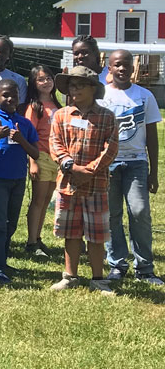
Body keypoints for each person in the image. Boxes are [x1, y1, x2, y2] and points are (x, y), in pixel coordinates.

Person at [49, 66, 118, 294]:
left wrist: (90, 170)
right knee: (71, 232)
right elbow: (55, 144)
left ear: (92, 88)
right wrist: (72, 166)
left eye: (79, 85)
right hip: (68, 184)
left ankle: (98, 278)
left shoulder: (107, 117)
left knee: (96, 234)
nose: (74, 90)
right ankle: (70, 276)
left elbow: (110, 148)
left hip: (96, 185)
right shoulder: (61, 115)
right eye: (71, 86)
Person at [99, 50, 162, 285]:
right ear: (110, 68)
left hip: (136, 162)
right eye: (117, 65)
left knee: (139, 211)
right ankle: (117, 264)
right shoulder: (101, 96)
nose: (122, 69)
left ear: (132, 68)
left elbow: (152, 136)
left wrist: (153, 171)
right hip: (108, 164)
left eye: (126, 65)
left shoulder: (145, 96)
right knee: (111, 215)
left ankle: (144, 268)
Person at [0, 79, 39, 284]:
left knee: (12, 223)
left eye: (13, 95)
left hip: (18, 179)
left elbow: (36, 153)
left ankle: (2, 260)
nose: (10, 98)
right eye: (5, 95)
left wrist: (22, 139)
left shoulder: (24, 123)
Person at [22, 65, 61, 258]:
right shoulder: (34, 106)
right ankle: (31, 242)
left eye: (49, 78)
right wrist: (33, 161)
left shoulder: (57, 104)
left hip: (56, 159)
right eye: (41, 79)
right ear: (34, 83)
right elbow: (29, 136)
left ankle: (37, 238)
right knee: (37, 200)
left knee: (46, 200)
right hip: (41, 156)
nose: (46, 82)